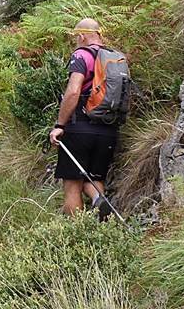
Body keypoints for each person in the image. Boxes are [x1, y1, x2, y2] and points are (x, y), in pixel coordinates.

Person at [48, 18, 119, 218]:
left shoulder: (81, 55)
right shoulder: (115, 57)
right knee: (94, 179)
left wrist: (59, 125)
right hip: (108, 130)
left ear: (81, 36)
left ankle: (76, 231)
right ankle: (98, 201)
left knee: (72, 185)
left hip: (80, 128)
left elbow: (73, 92)